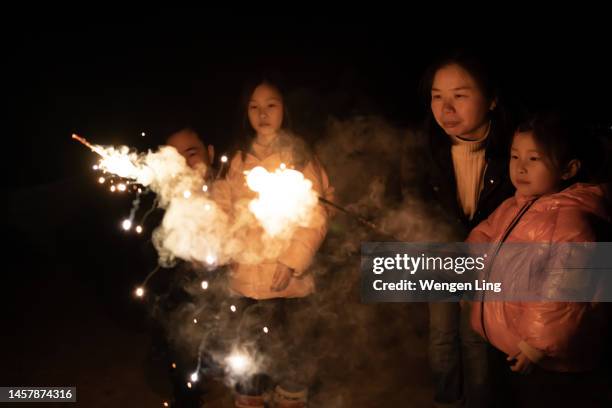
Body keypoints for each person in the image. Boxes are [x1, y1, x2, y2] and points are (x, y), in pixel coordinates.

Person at [467, 111, 611, 406]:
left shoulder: (572, 222)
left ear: (569, 169)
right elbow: (484, 237)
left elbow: (565, 296)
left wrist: (537, 345)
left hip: (547, 361)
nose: (520, 167)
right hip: (513, 346)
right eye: (515, 156)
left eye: (534, 159)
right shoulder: (516, 205)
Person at [212, 76, 333, 408]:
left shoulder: (299, 156)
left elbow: (317, 214)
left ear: (284, 109)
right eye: (254, 107)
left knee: (292, 354)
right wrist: (222, 247)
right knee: (249, 358)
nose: (262, 114)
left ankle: (292, 398)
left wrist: (292, 260)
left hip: (289, 282)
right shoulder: (235, 158)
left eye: (271, 105)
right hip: (245, 281)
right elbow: (220, 211)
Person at [409, 50, 516, 408]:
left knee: (476, 338)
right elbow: (415, 203)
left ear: (492, 100)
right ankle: (446, 400)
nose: (446, 108)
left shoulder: (515, 153)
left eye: (460, 95)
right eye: (437, 97)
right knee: (441, 336)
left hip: (489, 264)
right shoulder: (426, 150)